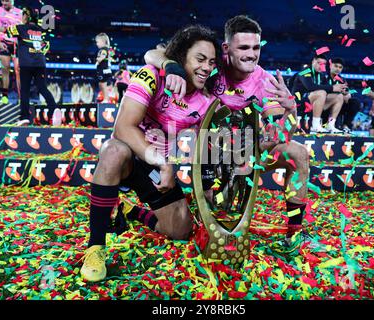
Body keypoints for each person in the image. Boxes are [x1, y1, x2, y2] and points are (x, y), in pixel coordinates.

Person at [145, 15, 317, 252]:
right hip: (209, 154)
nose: (251, 54)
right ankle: (160, 210)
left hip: (248, 154)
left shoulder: (265, 81)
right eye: (244, 47)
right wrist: (171, 67)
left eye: (256, 47)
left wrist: (291, 111)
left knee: (297, 153)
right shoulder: (210, 66)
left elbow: (280, 133)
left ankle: (294, 234)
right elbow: (153, 54)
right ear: (227, 48)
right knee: (196, 228)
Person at [80, 25, 221, 282]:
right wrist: (164, 163)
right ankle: (95, 247)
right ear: (180, 57)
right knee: (112, 150)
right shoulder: (151, 75)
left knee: (180, 230)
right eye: (199, 59)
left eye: (211, 62)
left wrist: (209, 184)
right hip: (130, 155)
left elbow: (205, 145)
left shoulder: (206, 100)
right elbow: (123, 127)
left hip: (155, 170)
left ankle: (131, 211)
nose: (206, 67)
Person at [0, 7, 61, 126]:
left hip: (26, 64)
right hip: (40, 63)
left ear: (26, 17)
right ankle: (54, 109)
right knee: (42, 88)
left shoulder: (20, 28)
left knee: (25, 90)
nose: (21, 18)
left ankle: (25, 117)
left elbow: (4, 30)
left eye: (22, 16)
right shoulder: (40, 29)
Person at [291, 54, 347, 133]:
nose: (321, 66)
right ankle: (315, 125)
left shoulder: (321, 75)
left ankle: (330, 125)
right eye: (319, 63)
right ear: (313, 61)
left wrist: (341, 90)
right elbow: (310, 87)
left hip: (313, 103)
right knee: (321, 93)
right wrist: (332, 88)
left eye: (323, 64)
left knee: (339, 96)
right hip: (299, 103)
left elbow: (328, 88)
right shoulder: (305, 71)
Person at [0, 0, 22, 103]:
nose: (4, 3)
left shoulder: (20, 13)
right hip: (4, 44)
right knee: (5, 70)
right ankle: (5, 96)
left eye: (7, 1)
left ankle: (21, 97)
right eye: (2, 1)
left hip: (17, 45)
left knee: (18, 71)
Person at [327, 57, 360, 133]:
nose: (338, 69)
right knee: (339, 97)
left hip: (339, 104)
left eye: (340, 67)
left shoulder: (342, 80)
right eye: (336, 66)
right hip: (325, 103)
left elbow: (348, 91)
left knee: (355, 102)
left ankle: (346, 125)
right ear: (330, 65)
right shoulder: (324, 76)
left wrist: (348, 94)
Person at [95, 33, 113, 104]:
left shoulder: (103, 50)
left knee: (103, 84)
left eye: (97, 42)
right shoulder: (107, 49)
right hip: (104, 70)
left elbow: (103, 55)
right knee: (101, 84)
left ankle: (106, 99)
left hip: (104, 70)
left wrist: (99, 59)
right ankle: (106, 97)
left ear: (102, 41)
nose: (97, 44)